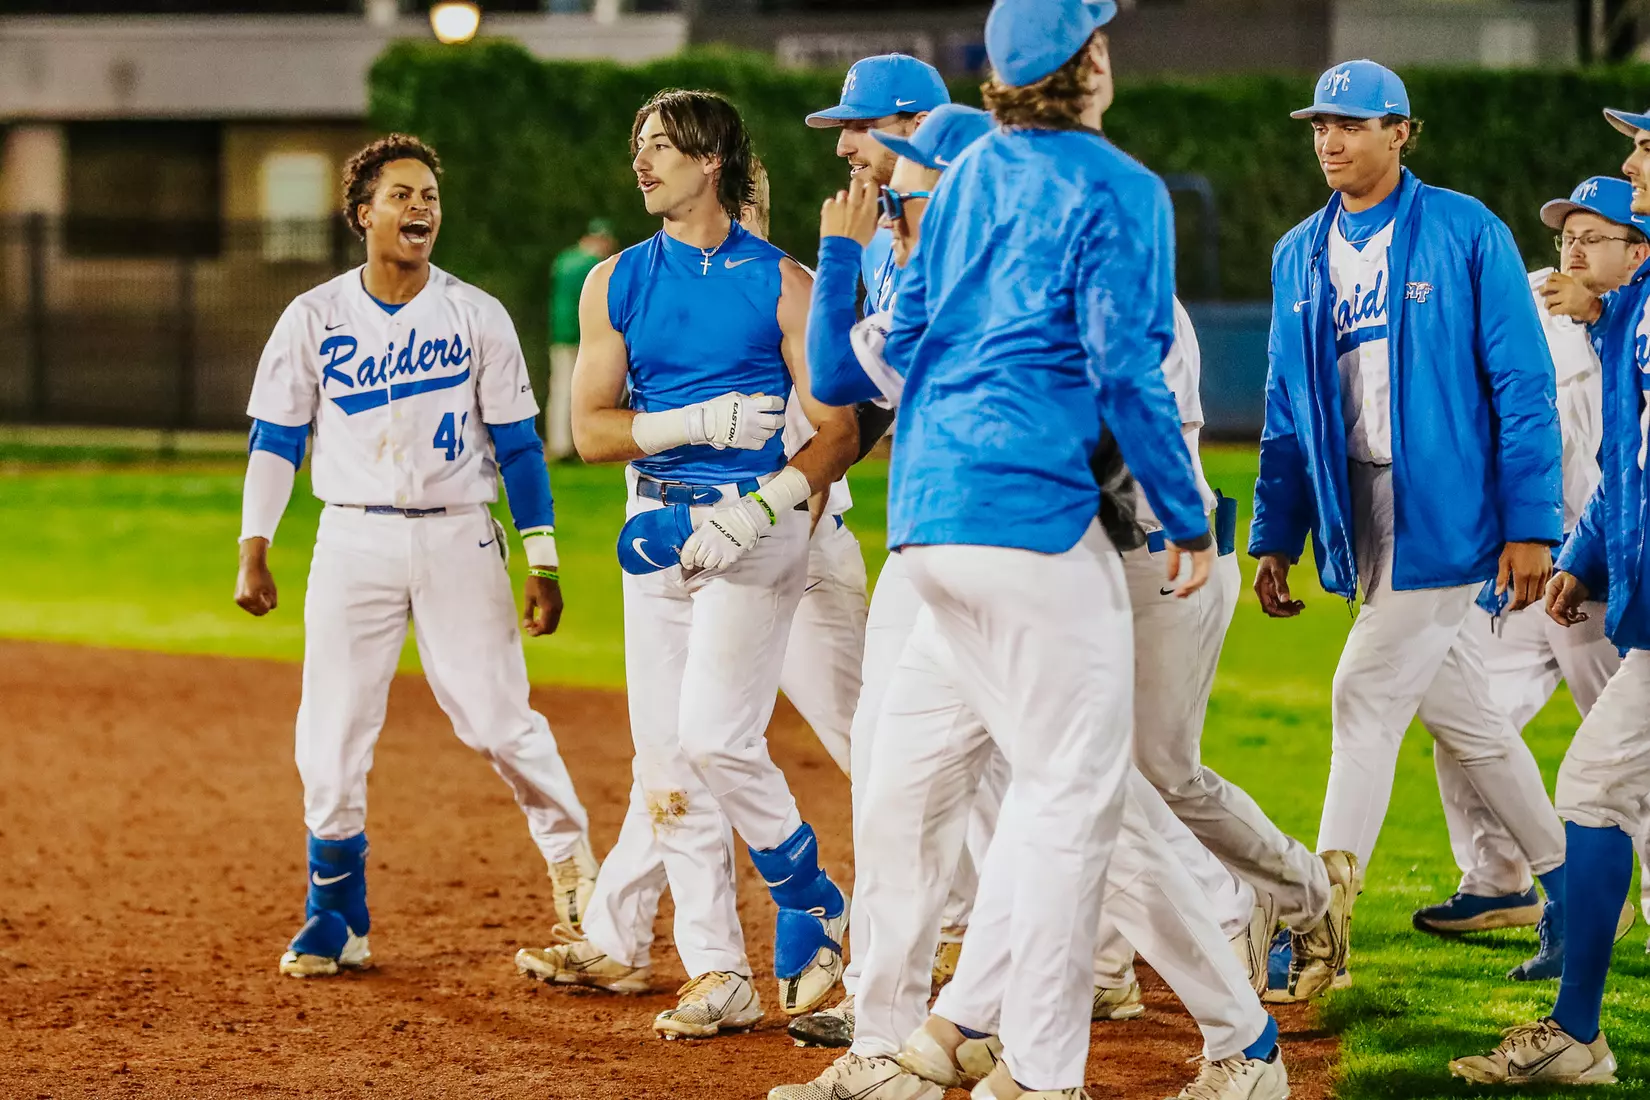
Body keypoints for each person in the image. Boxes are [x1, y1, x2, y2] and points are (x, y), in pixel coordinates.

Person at [774, 81, 1288, 1100]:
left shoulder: (1078, 273)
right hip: (979, 560)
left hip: (1106, 560)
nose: (889, 203)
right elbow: (848, 373)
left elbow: (1129, 430)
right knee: (910, 789)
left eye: (913, 193)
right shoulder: (943, 278)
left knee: (1098, 809)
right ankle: (905, 1044)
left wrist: (1183, 518)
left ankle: (1230, 1034)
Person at [513, 89, 860, 1040]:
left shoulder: (785, 284)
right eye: (638, 144)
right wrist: (692, 423)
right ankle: (718, 972)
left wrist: (756, 508)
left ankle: (808, 894)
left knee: (715, 739)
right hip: (654, 528)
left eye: (662, 146)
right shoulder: (614, 281)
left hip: (756, 528)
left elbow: (836, 432)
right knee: (666, 765)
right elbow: (588, 431)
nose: (643, 161)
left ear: (712, 163)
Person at [233, 134, 596, 977]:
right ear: (363, 214)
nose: (421, 207)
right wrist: (255, 545)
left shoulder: (476, 314)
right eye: (401, 195)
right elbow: (277, 439)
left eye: (429, 194)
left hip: (458, 533)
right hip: (351, 536)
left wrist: (542, 560)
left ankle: (577, 872)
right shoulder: (314, 317)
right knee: (330, 732)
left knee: (499, 720)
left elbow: (520, 448)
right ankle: (336, 913)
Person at [1251, 59, 1566, 1001]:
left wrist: (1529, 522)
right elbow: (1283, 406)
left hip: (1450, 507)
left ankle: (1319, 927)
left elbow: (1523, 384)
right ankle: (1574, 889)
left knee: (1362, 691)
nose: (1331, 140)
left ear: (1402, 131)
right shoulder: (1297, 251)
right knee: (1467, 719)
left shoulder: (1467, 230)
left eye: (1351, 123)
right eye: (1320, 124)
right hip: (1360, 505)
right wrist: (1277, 530)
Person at [1448, 103, 1650, 1087]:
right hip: (1618, 590)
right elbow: (1624, 470)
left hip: (1628, 602)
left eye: (1647, 146)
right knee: (1590, 781)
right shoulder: (1627, 321)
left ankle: (1578, 1026)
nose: (1632, 156)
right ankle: (1572, 1015)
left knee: (1598, 785)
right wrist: (1581, 550)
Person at [788, 48, 951, 1048]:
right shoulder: (906, 233)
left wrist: (836, 254)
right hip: (926, 531)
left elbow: (830, 379)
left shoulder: (935, 237)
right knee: (899, 761)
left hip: (986, 531)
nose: (844, 146)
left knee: (1051, 764)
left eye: (855, 127)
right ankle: (897, 986)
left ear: (905, 126)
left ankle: (1232, 913)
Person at [547, 219, 618, 461]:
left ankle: (559, 443)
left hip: (558, 332)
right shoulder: (592, 265)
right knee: (580, 392)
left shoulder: (563, 260)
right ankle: (579, 443)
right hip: (580, 335)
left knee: (559, 391)